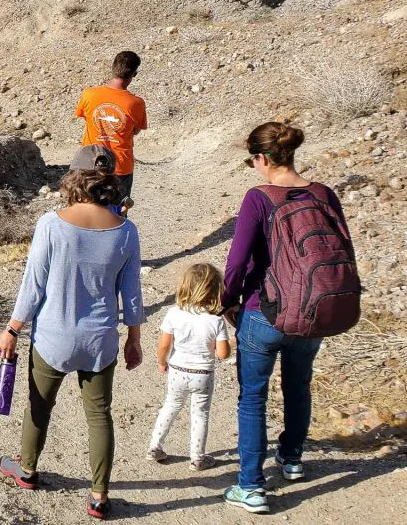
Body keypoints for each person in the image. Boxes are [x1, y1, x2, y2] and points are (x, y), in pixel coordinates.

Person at [0, 145, 144, 520]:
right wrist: (135, 339)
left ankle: (27, 469)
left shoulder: (51, 223)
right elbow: (132, 294)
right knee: (99, 416)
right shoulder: (126, 232)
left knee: (39, 406)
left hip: (53, 338)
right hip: (100, 341)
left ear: (73, 179)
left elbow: (34, 286)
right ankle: (99, 496)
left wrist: (13, 328)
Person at [221, 122, 350, 514]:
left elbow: (238, 259)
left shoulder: (258, 198)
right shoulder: (324, 194)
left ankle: (251, 486)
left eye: (252, 160)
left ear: (262, 158)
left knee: (253, 398)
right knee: (299, 386)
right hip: (312, 310)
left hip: (264, 313)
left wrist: (227, 300)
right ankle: (292, 459)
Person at [146, 263, 231, 470]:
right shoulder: (215, 320)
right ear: (215, 291)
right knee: (200, 413)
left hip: (177, 370)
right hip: (203, 373)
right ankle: (197, 457)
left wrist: (161, 362)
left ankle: (155, 447)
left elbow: (164, 345)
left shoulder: (174, 313)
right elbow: (223, 354)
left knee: (170, 405)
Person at [75, 51, 148, 210]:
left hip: (89, 163)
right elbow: (134, 130)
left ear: (113, 68)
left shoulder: (89, 94)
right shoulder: (136, 103)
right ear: (134, 74)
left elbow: (85, 117)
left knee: (84, 212)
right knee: (117, 215)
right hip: (121, 167)